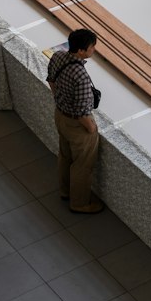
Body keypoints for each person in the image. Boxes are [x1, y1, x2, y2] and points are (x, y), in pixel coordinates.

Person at [47, 28, 103, 214]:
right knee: (82, 165)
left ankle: (65, 191)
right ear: (81, 51)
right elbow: (81, 113)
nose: (94, 49)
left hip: (60, 115)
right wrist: (92, 128)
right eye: (91, 46)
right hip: (77, 125)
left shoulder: (58, 56)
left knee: (65, 155)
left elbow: (51, 81)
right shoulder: (80, 76)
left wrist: (59, 101)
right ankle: (79, 203)